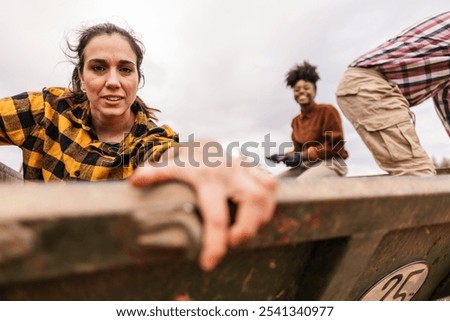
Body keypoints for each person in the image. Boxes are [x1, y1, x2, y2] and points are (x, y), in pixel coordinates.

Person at [0, 22, 277, 271]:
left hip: (100, 266)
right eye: (98, 68)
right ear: (82, 78)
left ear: (137, 79)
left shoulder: (145, 138)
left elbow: (172, 152)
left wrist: (207, 154)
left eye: (125, 69)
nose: (113, 82)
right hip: (31, 249)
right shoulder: (48, 109)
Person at [336, 11, 450, 176]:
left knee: (417, 172)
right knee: (416, 173)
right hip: (370, 86)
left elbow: (444, 98)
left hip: (369, 85)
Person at [267, 61, 348, 179]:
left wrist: (303, 155)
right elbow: (299, 151)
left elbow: (336, 146)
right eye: (297, 89)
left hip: (331, 162)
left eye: (306, 88)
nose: (301, 91)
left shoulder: (327, 110)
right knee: (273, 184)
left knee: (300, 186)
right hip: (307, 165)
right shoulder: (296, 122)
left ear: (314, 91)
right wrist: (284, 156)